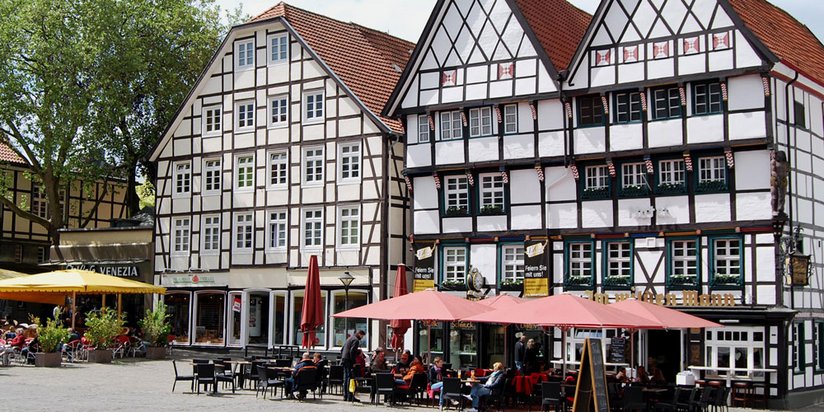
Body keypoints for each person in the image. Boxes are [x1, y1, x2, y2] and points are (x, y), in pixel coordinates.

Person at [341, 329, 365, 402]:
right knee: (350, 378)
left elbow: (342, 349)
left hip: (344, 359)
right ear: (359, 334)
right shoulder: (356, 340)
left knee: (346, 378)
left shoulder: (349, 338)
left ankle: (345, 396)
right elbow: (352, 351)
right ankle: (350, 396)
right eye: (362, 336)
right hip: (349, 360)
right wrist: (353, 362)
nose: (362, 337)